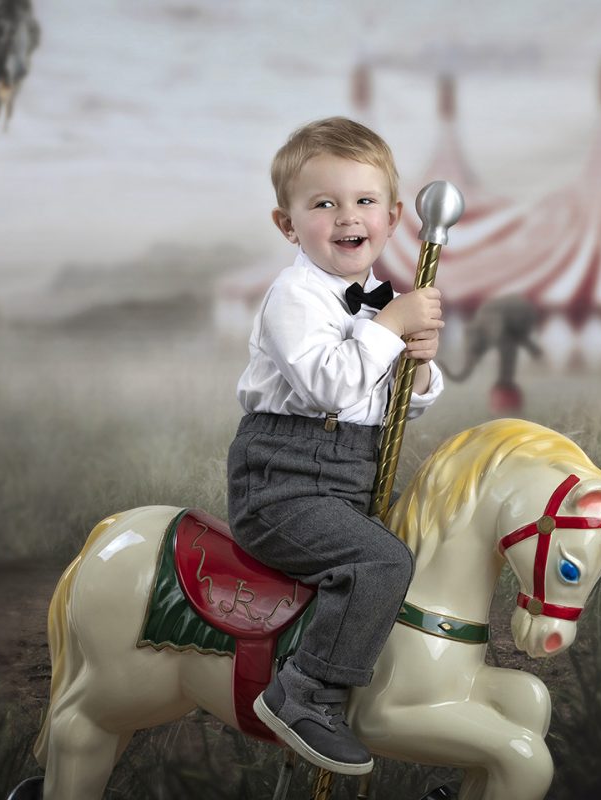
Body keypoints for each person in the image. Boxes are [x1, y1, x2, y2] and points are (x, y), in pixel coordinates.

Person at [226, 117, 444, 775]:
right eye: (323, 204)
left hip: (350, 473)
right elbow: (330, 384)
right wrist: (387, 330)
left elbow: (397, 404)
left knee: (433, 545)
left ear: (394, 216)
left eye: (364, 201)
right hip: (284, 480)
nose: (347, 216)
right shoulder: (294, 294)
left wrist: (421, 364)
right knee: (380, 563)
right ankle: (306, 692)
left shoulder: (378, 299)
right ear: (287, 225)